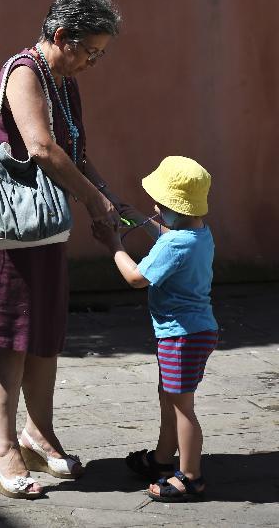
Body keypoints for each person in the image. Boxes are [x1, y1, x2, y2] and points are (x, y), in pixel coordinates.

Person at [0, 0, 123, 498]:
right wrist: (93, 203)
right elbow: (42, 148)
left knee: (44, 330)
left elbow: (74, 151)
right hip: (12, 224)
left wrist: (107, 198)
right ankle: (2, 447)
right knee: (11, 334)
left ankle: (38, 432)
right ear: (61, 36)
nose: (94, 62)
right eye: (90, 51)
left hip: (45, 223)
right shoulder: (26, 72)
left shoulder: (64, 79)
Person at [93, 155, 218, 502]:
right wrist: (138, 217)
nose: (154, 206)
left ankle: (190, 476)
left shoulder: (173, 245)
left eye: (160, 204)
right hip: (193, 331)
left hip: (181, 335)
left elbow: (136, 277)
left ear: (173, 206)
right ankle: (163, 460)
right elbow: (170, 235)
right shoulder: (199, 232)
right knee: (170, 398)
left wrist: (113, 243)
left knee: (182, 407)